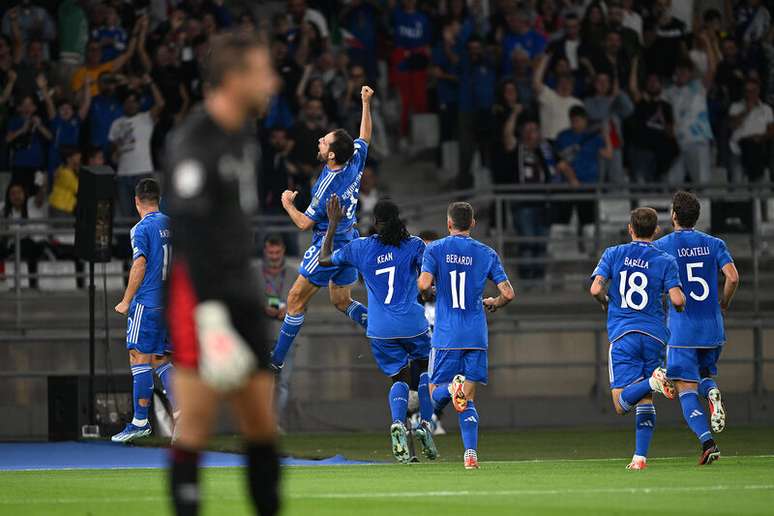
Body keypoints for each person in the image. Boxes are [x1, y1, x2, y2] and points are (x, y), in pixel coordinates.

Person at [164, 32, 281, 516]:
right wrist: (210, 316)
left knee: (262, 423)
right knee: (195, 423)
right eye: (263, 72)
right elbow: (189, 232)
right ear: (234, 78)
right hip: (200, 294)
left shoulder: (245, 139)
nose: (272, 82)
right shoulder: (193, 142)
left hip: (242, 287)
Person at [320, 195, 437, 463]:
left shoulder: (360, 247)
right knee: (425, 371)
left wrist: (333, 223)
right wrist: (430, 291)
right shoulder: (414, 245)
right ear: (398, 220)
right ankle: (425, 424)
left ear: (375, 222)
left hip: (380, 329)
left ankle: (397, 423)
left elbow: (325, 259)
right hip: (412, 324)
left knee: (399, 379)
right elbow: (427, 280)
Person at [269, 85, 375, 370]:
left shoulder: (326, 185)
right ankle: (382, 330)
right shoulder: (354, 160)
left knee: (294, 299)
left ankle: (275, 361)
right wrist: (366, 103)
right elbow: (365, 136)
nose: (319, 140)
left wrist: (288, 204)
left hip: (328, 246)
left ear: (331, 156)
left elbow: (304, 223)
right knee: (341, 300)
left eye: (324, 142)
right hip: (349, 240)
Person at [417, 202, 515, 469]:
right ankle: (470, 454)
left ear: (449, 224)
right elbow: (508, 293)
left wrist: (428, 293)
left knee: (435, 393)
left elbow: (424, 284)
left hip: (447, 335)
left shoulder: (435, 249)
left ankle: (451, 388)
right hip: (475, 336)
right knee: (467, 399)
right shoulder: (486, 253)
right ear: (472, 223)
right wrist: (494, 302)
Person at [589, 207, 686, 470]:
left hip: (624, 334)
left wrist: (605, 301)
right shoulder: (665, 260)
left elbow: (595, 288)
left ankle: (655, 381)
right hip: (654, 335)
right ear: (656, 231)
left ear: (630, 229)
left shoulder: (614, 253)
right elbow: (677, 300)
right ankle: (639, 458)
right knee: (645, 398)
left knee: (621, 404)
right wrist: (680, 306)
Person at [653, 191, 739, 465]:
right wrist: (724, 303)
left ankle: (708, 443)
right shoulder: (714, 243)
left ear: (674, 215)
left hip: (682, 330)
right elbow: (733, 277)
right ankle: (711, 391)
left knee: (685, 388)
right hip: (713, 328)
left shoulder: (663, 245)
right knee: (703, 376)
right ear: (697, 217)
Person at [111, 178, 175, 442]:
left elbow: (139, 264)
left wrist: (126, 300)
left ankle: (140, 421)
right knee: (161, 360)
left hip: (148, 302)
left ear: (136, 201)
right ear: (159, 199)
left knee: (138, 356)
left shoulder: (141, 228)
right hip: (170, 303)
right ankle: (183, 417)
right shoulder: (172, 224)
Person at [255, 235, 298, 428]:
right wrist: (261, 308)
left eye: (277, 252)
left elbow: (303, 303)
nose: (274, 256)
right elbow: (245, 301)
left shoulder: (294, 274)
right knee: (259, 382)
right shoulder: (255, 273)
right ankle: (260, 424)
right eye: (270, 252)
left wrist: (289, 310)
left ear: (283, 251)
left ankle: (274, 425)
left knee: (282, 384)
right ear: (265, 251)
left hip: (286, 337)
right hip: (261, 335)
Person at [108, 76, 165, 218]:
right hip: (122, 175)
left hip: (143, 173)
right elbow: (112, 152)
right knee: (126, 218)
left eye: (134, 102)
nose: (131, 105)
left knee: (145, 217)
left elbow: (160, 103)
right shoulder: (116, 123)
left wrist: (150, 83)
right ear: (123, 104)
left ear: (138, 104)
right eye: (128, 102)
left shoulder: (146, 118)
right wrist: (115, 153)